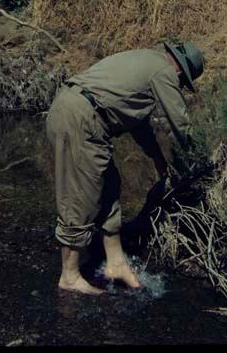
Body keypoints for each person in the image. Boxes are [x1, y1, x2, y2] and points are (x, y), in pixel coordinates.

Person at [46, 40, 204, 294]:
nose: (180, 85)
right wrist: (201, 156)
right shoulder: (164, 72)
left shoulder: (146, 60)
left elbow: (137, 123)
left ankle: (116, 263)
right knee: (80, 198)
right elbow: (180, 123)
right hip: (80, 118)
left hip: (79, 113)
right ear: (180, 71)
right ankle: (70, 276)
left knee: (110, 186)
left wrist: (156, 157)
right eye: (183, 82)